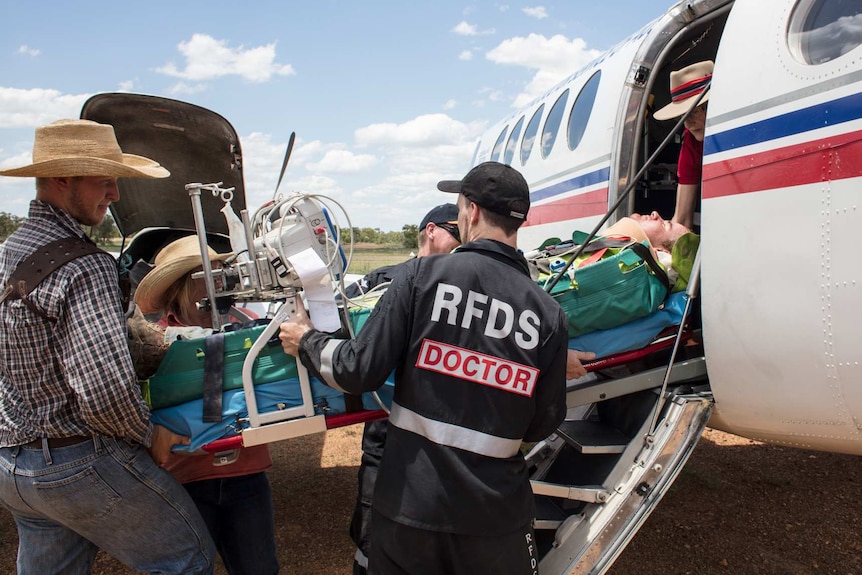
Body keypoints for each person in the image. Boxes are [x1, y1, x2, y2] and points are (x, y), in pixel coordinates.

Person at [280, 161, 569, 575]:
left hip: (412, 509)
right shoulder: (548, 313)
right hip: (496, 516)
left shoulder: (420, 278)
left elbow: (358, 370)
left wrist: (306, 339)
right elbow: (543, 423)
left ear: (469, 212)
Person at [0, 119, 216, 574]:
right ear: (62, 180)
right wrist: (149, 433)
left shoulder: (9, 250)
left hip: (13, 465)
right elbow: (103, 390)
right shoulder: (85, 265)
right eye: (105, 181)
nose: (115, 195)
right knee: (186, 557)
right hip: (75, 462)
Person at [134, 234, 280, 575]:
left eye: (219, 273)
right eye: (207, 275)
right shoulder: (153, 339)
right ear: (183, 285)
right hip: (185, 481)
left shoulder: (246, 322)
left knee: (259, 568)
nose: (219, 283)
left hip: (246, 473)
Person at [344, 203, 461, 575]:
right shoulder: (385, 278)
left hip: (440, 431)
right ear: (431, 230)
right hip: (387, 428)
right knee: (374, 530)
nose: (463, 242)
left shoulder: (464, 285)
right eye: (456, 233)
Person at [654, 60, 713, 230]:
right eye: (682, 117)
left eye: (694, 112)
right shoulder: (691, 141)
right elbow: (682, 218)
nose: (688, 124)